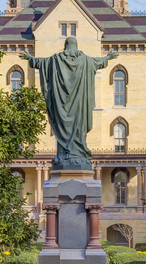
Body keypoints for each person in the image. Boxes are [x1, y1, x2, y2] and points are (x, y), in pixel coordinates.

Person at [20, 37, 118, 169]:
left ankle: (65, 153)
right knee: (79, 126)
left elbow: (42, 62)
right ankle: (78, 154)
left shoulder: (56, 60)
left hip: (61, 104)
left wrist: (29, 58)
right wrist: (108, 57)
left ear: (65, 45)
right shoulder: (85, 60)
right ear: (76, 46)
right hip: (80, 104)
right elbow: (97, 62)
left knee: (63, 126)